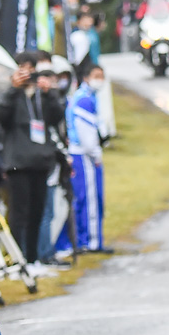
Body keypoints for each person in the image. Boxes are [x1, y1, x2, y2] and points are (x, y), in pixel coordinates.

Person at [0, 54, 65, 263]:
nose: (26, 73)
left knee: (37, 212)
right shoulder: (10, 94)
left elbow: (57, 116)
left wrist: (49, 92)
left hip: (40, 162)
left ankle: (33, 260)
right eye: (21, 68)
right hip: (18, 163)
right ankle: (19, 260)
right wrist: (14, 89)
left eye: (30, 68)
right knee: (19, 214)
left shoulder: (40, 96)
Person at [56, 65, 108, 255]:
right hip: (83, 155)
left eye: (102, 76)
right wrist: (95, 154)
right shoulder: (84, 99)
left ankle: (83, 239)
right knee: (90, 199)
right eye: (96, 76)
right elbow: (86, 135)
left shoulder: (83, 97)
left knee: (82, 198)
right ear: (86, 77)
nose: (99, 80)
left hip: (80, 153)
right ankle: (91, 242)